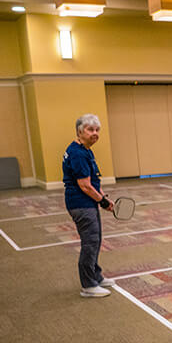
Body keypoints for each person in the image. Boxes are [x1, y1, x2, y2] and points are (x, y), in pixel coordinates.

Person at [63, 114, 115, 298]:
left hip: (88, 202)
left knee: (96, 239)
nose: (95, 133)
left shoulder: (85, 150)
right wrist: (101, 200)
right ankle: (88, 285)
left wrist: (102, 199)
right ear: (80, 131)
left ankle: (96, 276)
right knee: (90, 242)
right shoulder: (77, 153)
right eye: (90, 130)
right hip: (81, 204)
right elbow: (84, 185)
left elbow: (93, 181)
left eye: (97, 130)